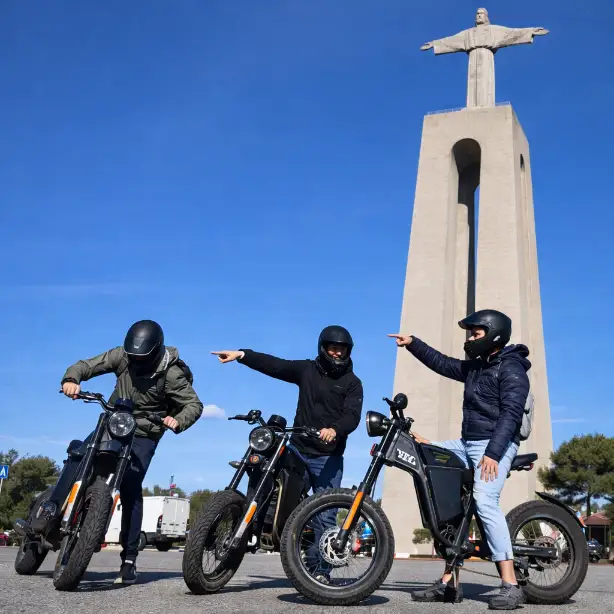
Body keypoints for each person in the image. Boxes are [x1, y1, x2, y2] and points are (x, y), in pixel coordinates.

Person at [29, 320, 203, 585]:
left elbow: (193, 404)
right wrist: (71, 379)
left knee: (131, 486)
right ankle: (52, 508)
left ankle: (129, 559)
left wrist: (178, 420)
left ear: (155, 352)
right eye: (132, 356)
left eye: (140, 357)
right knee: (80, 454)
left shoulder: (172, 373)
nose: (134, 361)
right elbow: (87, 365)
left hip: (145, 432)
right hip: (114, 419)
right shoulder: (121, 356)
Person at [389, 309, 530, 611]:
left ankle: (510, 584)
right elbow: (443, 364)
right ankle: (449, 583)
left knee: (484, 499)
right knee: (431, 465)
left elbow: (511, 414)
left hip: (494, 445)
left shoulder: (512, 369)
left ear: (494, 334)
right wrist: (414, 343)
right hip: (467, 443)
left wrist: (493, 453)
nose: (471, 338)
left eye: (476, 333)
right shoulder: (478, 368)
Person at [212, 325, 363, 579]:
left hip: (329, 458)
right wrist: (242, 355)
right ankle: (252, 526)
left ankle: (319, 573)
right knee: (270, 484)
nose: (337, 354)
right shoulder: (307, 370)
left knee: (325, 518)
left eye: (342, 350)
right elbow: (276, 366)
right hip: (299, 449)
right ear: (323, 348)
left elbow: (353, 416)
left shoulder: (352, 383)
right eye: (333, 348)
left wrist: (335, 429)